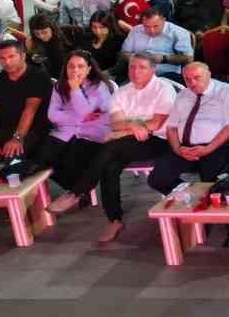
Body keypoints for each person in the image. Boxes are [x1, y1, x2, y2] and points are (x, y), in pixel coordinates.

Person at [49, 53, 175, 242]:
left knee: (109, 148)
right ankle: (114, 220)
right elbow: (115, 124)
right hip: (128, 141)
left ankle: (77, 192)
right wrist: (131, 127)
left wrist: (122, 131)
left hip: (159, 140)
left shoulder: (163, 88)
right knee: (110, 165)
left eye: (142, 67)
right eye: (132, 67)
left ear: (152, 69)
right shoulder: (122, 91)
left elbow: (156, 123)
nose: (136, 71)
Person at [149, 62, 229, 243]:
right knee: (158, 178)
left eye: (196, 78)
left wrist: (207, 149)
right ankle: (195, 203)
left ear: (208, 74)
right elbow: (171, 128)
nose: (192, 83)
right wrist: (178, 149)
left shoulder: (226, 93)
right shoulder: (183, 95)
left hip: (217, 146)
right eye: (187, 79)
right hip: (184, 148)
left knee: (214, 184)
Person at [32, 51, 113, 202]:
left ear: (88, 69)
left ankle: (78, 191)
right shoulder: (59, 86)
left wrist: (75, 89)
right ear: (66, 68)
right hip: (65, 132)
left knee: (69, 160)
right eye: (71, 66)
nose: (75, 70)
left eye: (80, 66)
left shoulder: (98, 86)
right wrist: (80, 118)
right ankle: (78, 190)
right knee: (42, 159)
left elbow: (85, 111)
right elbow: (52, 114)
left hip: (92, 134)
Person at [0, 40, 52, 163]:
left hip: (30, 130)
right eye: (2, 58)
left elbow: (29, 110)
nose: (7, 62)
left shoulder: (38, 76)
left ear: (23, 56)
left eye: (11, 57)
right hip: (2, 129)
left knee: (12, 159)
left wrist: (17, 138)